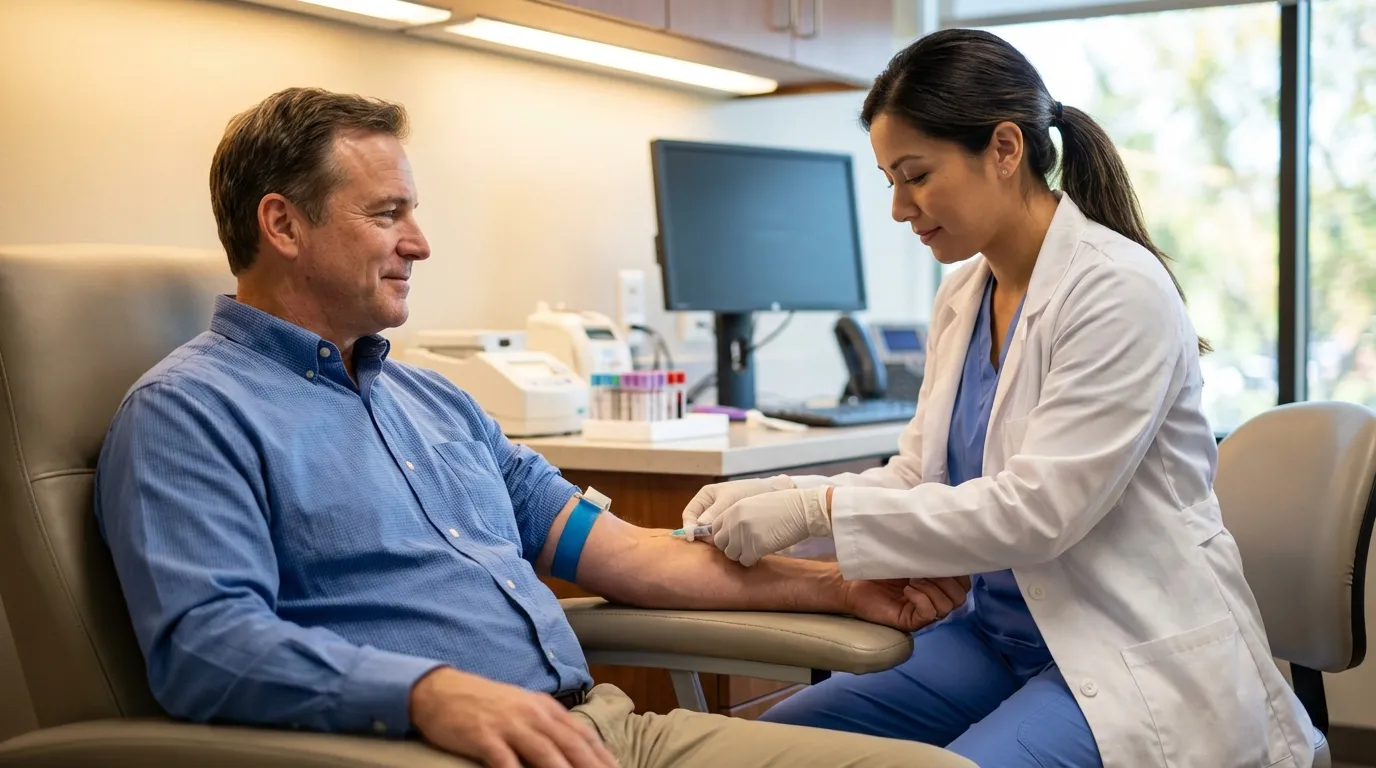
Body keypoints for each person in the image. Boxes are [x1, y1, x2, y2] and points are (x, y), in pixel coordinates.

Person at [92, 86, 977, 768]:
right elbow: (206, 648)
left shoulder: (436, 404)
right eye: (387, 213)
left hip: (599, 732)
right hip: (437, 749)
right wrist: (430, 695)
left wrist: (834, 585)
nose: (420, 242)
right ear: (282, 223)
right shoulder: (189, 415)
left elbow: (627, 556)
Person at [679, 29, 1318, 768]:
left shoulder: (1116, 289)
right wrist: (784, 494)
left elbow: (1038, 510)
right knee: (763, 752)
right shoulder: (963, 296)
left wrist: (813, 511)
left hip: (1121, 648)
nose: (898, 206)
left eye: (915, 175)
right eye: (890, 178)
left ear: (1005, 149)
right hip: (993, 638)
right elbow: (919, 480)